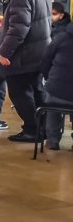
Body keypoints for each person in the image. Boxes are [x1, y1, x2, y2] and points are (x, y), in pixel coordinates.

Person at [0, 0, 52, 142]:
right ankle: (43, 129)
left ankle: (32, 129)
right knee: (37, 90)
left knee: (19, 91)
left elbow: (20, 28)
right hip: (41, 51)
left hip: (24, 53)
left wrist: (5, 51)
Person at [41, 8, 73, 150]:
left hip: (56, 90)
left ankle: (52, 140)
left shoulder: (61, 37)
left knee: (53, 102)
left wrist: (50, 78)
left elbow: (45, 61)